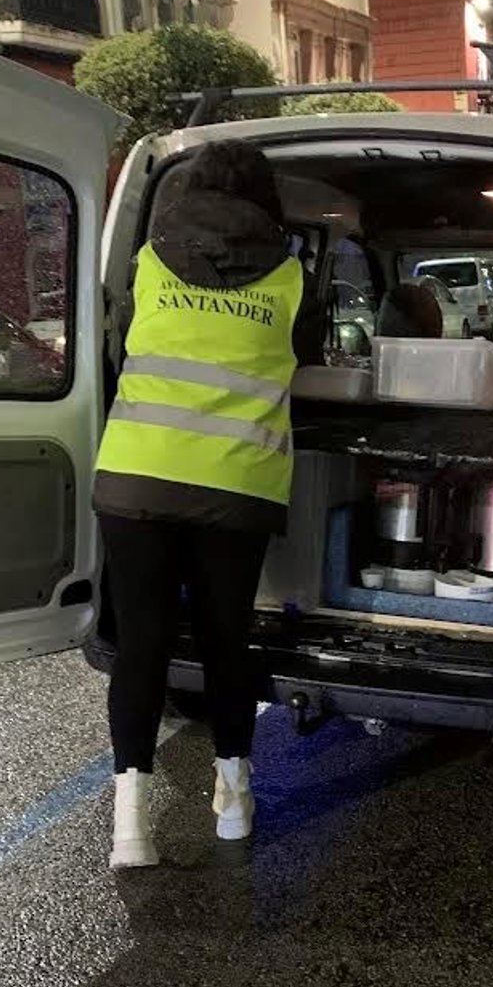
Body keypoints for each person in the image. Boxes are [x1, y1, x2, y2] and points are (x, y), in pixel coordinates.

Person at [94, 140, 322, 867]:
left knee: (142, 645)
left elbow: (118, 343)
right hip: (236, 484)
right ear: (265, 199)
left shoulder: (149, 263)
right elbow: (309, 358)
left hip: (136, 476)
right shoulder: (291, 277)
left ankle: (130, 826)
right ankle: (234, 802)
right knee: (227, 639)